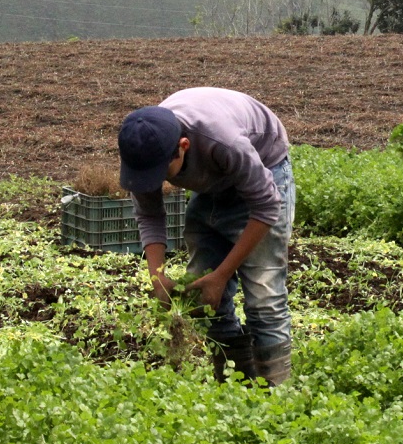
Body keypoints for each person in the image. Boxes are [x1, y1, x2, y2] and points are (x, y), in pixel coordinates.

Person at [117, 87, 295, 385]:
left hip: (265, 167)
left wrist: (223, 274)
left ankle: (275, 399)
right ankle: (236, 384)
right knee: (202, 294)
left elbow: (266, 206)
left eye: (163, 172)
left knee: (264, 298)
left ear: (183, 146)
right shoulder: (145, 147)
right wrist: (156, 276)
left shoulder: (223, 141)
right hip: (214, 177)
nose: (157, 180)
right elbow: (149, 214)